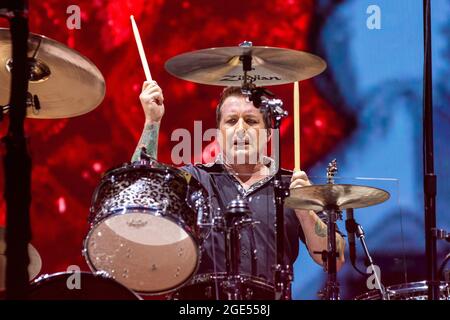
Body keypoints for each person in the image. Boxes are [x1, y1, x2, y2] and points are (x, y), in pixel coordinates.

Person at [132, 80, 346, 298]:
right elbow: (140, 192)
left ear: (269, 134)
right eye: (231, 121)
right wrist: (152, 121)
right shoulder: (195, 179)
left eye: (251, 121)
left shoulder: (292, 185)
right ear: (218, 134)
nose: (241, 129)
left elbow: (334, 259)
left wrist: (305, 210)